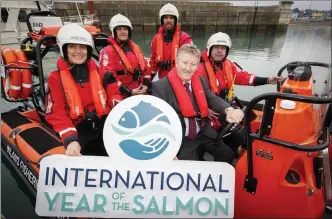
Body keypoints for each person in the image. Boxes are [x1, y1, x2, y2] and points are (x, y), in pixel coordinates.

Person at [152, 44, 244, 163]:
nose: (188, 68)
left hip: (203, 131)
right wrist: (167, 150)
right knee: (189, 168)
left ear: (197, 66)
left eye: (193, 64)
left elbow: (211, 98)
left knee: (228, 155)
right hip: (181, 138)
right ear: (177, 62)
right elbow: (157, 122)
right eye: (184, 63)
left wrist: (229, 110)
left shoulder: (200, 81)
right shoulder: (159, 87)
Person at [45, 23, 110, 156]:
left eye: (82, 47)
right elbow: (57, 112)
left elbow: (114, 93)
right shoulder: (55, 78)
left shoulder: (100, 72)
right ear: (64, 49)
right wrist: (70, 139)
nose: (78, 51)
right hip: (78, 131)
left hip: (102, 126)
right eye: (72, 47)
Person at [196, 32, 282, 110]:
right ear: (209, 49)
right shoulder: (200, 68)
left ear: (226, 51)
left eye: (222, 48)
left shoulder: (228, 65)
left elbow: (244, 78)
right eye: (216, 47)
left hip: (228, 102)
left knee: (264, 109)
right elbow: (194, 93)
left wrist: (268, 80)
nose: (219, 51)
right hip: (213, 107)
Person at [99, 14, 151, 105]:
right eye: (119, 29)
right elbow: (109, 79)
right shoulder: (107, 52)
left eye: (125, 29)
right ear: (114, 31)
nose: (123, 32)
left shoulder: (136, 48)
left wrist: (145, 85)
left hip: (138, 89)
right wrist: (129, 92)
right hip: (120, 93)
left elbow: (146, 69)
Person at [149, 3, 193, 80]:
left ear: (175, 20)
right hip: (163, 79)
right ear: (162, 20)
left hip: (180, 79)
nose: (168, 20)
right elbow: (153, 61)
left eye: (171, 18)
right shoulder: (156, 39)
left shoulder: (185, 38)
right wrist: (149, 79)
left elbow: (190, 62)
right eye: (166, 18)